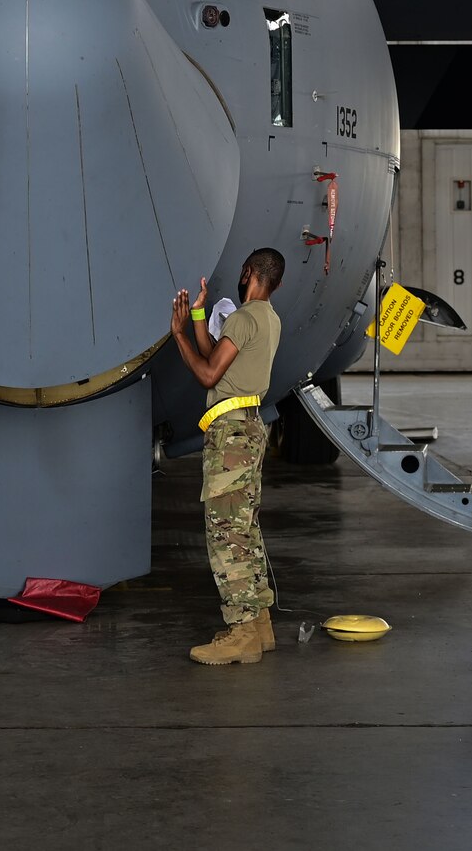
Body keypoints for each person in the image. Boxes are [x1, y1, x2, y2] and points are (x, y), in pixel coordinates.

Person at [169, 247, 285, 666]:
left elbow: (207, 372)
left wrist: (179, 332)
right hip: (250, 428)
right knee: (245, 530)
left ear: (247, 272)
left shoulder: (243, 317)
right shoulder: (267, 320)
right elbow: (221, 353)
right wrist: (199, 317)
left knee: (226, 537)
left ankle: (240, 633)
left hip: (231, 436)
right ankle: (258, 627)